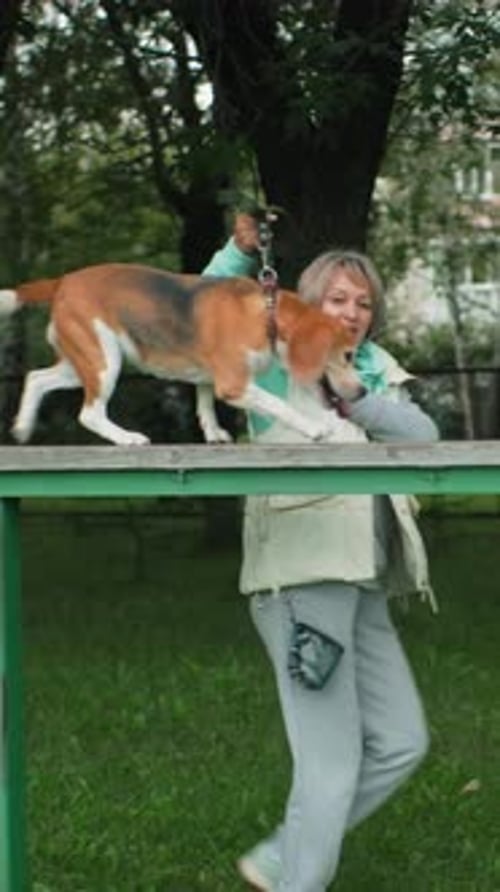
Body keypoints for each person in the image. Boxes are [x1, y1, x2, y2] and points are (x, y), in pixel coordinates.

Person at [203, 214, 439, 892]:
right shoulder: (273, 354)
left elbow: (423, 438)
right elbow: (209, 301)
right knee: (330, 766)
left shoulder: (371, 369)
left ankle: (283, 857)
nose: (352, 312)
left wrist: (355, 395)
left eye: (363, 302)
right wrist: (239, 252)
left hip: (362, 580)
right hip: (301, 577)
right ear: (307, 303)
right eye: (337, 298)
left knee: (401, 742)